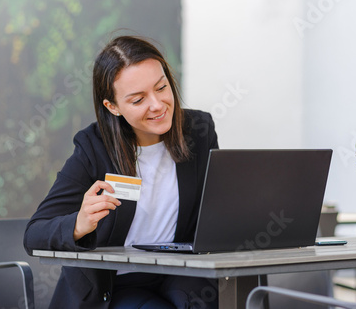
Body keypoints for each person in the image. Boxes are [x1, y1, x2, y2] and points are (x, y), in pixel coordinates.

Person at [24, 35, 219, 309]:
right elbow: (34, 234)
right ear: (112, 107)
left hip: (178, 274)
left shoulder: (199, 130)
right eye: (138, 100)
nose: (157, 105)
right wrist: (79, 224)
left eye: (162, 87)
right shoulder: (93, 148)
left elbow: (216, 210)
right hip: (116, 284)